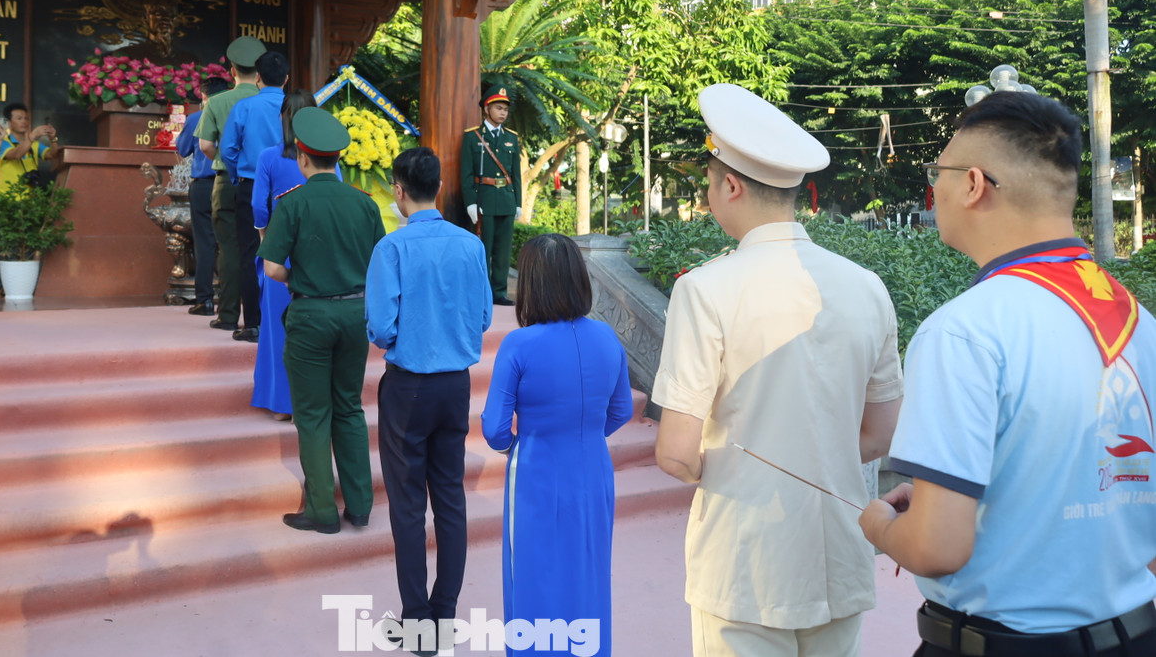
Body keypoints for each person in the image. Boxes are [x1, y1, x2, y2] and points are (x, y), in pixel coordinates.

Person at [859, 91, 1156, 657]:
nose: (935, 190)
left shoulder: (964, 332)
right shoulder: (1139, 323)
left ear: (973, 184)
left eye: (938, 173)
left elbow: (937, 548)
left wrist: (879, 524)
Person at [653, 83, 902, 657]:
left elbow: (676, 452)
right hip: (840, 551)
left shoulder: (704, 289)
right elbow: (881, 432)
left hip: (745, 564)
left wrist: (738, 470)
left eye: (710, 181)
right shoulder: (867, 286)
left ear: (731, 186)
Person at [366, 147, 493, 656]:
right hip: (455, 385)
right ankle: (444, 615)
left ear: (399, 190)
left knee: (407, 506)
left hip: (409, 386)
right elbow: (483, 317)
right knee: (450, 499)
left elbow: (381, 328)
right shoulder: (470, 245)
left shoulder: (391, 248)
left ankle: (418, 623)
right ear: (438, 187)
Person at [480, 233, 632, 657]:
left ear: (530, 285)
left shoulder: (520, 344)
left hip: (537, 473)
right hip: (593, 471)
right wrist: (583, 434)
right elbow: (621, 410)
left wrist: (520, 444)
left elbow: (494, 428)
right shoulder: (607, 337)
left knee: (534, 576)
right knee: (588, 573)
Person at [260, 107, 385, 534]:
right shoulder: (365, 204)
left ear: (303, 158)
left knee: (313, 414)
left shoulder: (292, 202)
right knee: (349, 407)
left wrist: (303, 277)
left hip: (311, 313)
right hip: (355, 314)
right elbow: (379, 265)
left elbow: (272, 268)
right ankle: (360, 505)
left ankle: (322, 511)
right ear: (338, 158)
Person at [250, 88, 319, 419]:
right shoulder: (328, 160)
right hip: (316, 251)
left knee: (277, 328)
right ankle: (313, 400)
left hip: (281, 251)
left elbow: (258, 206)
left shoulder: (269, 156)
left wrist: (266, 238)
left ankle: (281, 404)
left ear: (283, 118)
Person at [195, 35, 266, 336]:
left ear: (232, 70)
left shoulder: (217, 101)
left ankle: (227, 315)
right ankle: (259, 316)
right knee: (261, 247)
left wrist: (225, 160)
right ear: (260, 71)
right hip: (263, 184)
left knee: (228, 248)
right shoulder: (271, 102)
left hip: (226, 181)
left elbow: (205, 145)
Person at [223, 50, 289, 343]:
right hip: (290, 187)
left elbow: (228, 149)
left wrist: (237, 177)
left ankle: (253, 324)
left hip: (251, 186)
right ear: (286, 78)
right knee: (291, 251)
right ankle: (286, 320)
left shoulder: (245, 106)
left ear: (258, 76)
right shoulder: (294, 107)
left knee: (251, 253)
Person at [460, 84, 521, 306]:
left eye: (505, 109)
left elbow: (516, 174)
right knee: (483, 249)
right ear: (487, 109)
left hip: (506, 199)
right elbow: (466, 173)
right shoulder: (472, 137)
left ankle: (499, 292)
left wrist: (518, 202)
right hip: (483, 199)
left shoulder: (511, 138)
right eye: (498, 108)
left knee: (503, 252)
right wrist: (470, 202)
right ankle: (482, 292)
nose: (503, 113)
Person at [178, 79, 224, 317]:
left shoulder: (196, 118)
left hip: (204, 186)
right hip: (229, 183)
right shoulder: (234, 114)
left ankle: (204, 300)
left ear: (204, 97)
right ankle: (230, 300)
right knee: (230, 243)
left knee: (204, 243)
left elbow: (183, 148)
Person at [0, 102, 58, 194]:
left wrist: (53, 139)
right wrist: (33, 135)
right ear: (9, 123)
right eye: (19, 118)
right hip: (7, 198)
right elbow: (16, 155)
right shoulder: (2, 142)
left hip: (30, 198)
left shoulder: (34, 144)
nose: (24, 121)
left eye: (26, 118)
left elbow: (53, 155)